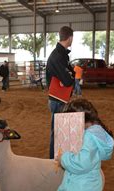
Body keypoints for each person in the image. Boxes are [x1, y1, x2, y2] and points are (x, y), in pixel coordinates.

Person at [46, 26, 75, 158]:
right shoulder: (58, 56)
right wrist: (69, 76)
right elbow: (68, 80)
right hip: (58, 99)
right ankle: (53, 161)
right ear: (70, 38)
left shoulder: (61, 54)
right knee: (57, 132)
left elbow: (70, 74)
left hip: (60, 98)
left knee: (60, 131)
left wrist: (69, 75)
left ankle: (57, 158)